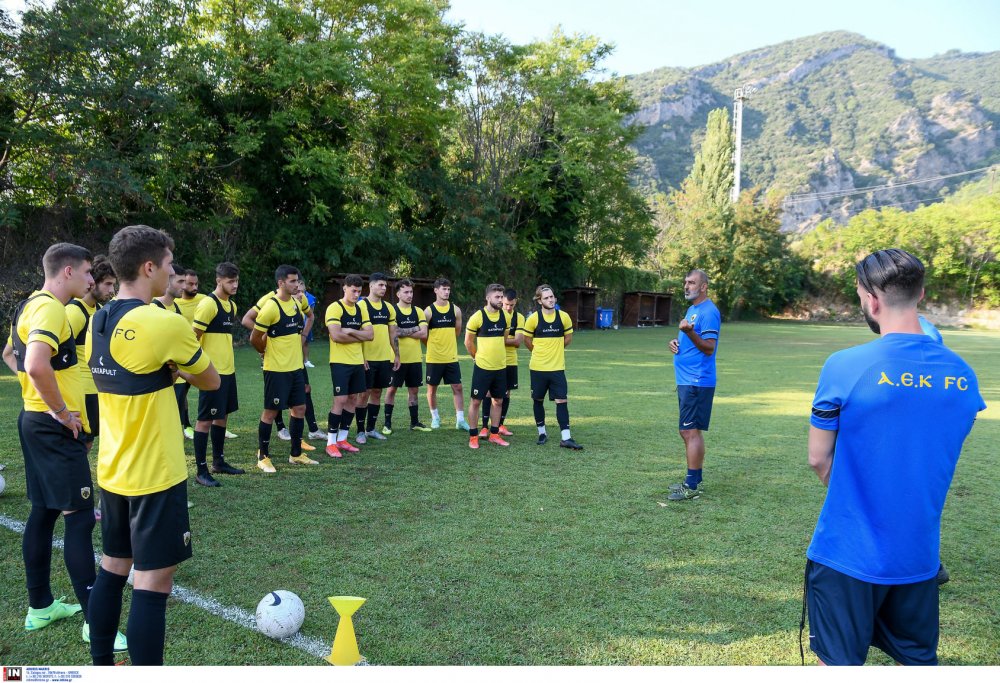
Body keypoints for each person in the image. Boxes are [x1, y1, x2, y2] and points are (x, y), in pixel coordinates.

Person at [804, 248, 985, 666]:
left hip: (848, 552)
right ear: (920, 294)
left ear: (871, 299)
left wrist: (864, 496)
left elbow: (818, 459)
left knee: (837, 664)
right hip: (919, 556)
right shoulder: (963, 375)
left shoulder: (845, 365)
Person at [86, 225, 220, 665]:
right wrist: (173, 370)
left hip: (114, 468)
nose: (173, 273)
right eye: (168, 265)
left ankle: (103, 664)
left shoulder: (97, 318)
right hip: (156, 471)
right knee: (153, 581)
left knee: (113, 565)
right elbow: (211, 379)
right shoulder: (162, 321)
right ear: (149, 267)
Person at [2, 243, 126, 653]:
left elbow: (11, 355)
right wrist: (60, 410)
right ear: (68, 271)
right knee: (78, 519)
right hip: (53, 428)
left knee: (43, 511)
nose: (93, 280)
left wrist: (39, 394)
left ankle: (40, 606)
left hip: (34, 422)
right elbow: (36, 364)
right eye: (89, 272)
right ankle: (96, 622)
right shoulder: (54, 308)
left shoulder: (30, 305)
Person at [249, 265, 317, 472]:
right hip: (276, 369)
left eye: (297, 281)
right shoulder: (270, 307)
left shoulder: (299, 302)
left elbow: (311, 316)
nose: (297, 285)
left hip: (296, 367)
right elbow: (254, 338)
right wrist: (264, 350)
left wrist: (304, 336)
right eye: (292, 281)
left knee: (299, 408)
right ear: (281, 283)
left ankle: (295, 454)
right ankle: (263, 456)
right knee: (271, 411)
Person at [666, 269, 720, 501]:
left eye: (692, 282)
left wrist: (689, 331)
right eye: (685, 282)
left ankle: (691, 486)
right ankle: (695, 478)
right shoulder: (692, 309)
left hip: (697, 380)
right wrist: (676, 342)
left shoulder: (709, 311)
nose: (686, 286)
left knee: (690, 431)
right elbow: (690, 339)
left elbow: (709, 346)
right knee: (688, 430)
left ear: (704, 286)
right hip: (687, 379)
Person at [190, 262, 245, 486]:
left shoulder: (231, 306)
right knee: (205, 420)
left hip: (228, 371)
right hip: (211, 372)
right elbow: (192, 339)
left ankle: (218, 462)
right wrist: (199, 367)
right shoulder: (208, 304)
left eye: (236, 281)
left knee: (222, 416)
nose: (234, 285)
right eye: (230, 281)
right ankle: (201, 470)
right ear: (218, 280)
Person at [516, 285, 583, 450]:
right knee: (537, 400)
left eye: (552, 296)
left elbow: (568, 339)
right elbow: (527, 341)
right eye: (546, 298)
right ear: (539, 301)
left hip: (557, 368)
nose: (550, 300)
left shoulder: (564, 317)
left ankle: (566, 438)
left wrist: (556, 350)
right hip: (538, 369)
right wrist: (539, 352)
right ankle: (542, 433)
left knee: (562, 400)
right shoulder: (533, 319)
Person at [65, 254, 117, 449]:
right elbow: (59, 354)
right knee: (81, 442)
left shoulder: (100, 310)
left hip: (97, 388)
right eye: (108, 284)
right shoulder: (74, 312)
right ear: (92, 283)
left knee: (89, 442)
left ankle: (80, 479)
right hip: (81, 390)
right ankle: (78, 480)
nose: (112, 291)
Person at [324, 274, 374, 458]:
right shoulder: (334, 308)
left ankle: (342, 439)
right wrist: (358, 333)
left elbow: (370, 335)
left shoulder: (361, 309)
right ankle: (331, 442)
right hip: (339, 362)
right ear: (344, 288)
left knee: (353, 398)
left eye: (359, 291)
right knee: (340, 399)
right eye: (353, 290)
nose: (356, 294)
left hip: (357, 361)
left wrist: (351, 330)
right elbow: (336, 335)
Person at [464, 284, 511, 449]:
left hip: (500, 367)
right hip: (482, 368)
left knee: (498, 400)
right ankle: (473, 436)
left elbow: (504, 339)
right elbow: (468, 342)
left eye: (501, 296)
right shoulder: (477, 317)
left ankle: (494, 434)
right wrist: (477, 357)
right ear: (488, 298)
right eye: (497, 297)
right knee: (476, 401)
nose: (500, 300)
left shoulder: (505, 317)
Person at [357, 272, 399, 442]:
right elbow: (358, 333)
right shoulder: (361, 306)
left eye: (385, 285)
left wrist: (396, 354)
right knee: (363, 394)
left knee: (377, 393)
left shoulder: (388, 307)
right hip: (366, 358)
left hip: (384, 359)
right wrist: (361, 357)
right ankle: (360, 431)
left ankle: (370, 429)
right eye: (380, 285)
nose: (383, 288)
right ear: (371, 286)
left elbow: (393, 333)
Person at [384, 278, 431, 433]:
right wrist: (414, 328)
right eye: (406, 292)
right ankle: (387, 424)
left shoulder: (418, 311)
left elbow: (424, 333)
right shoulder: (393, 311)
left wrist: (404, 331)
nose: (409, 295)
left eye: (411, 292)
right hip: (396, 359)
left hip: (415, 358)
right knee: (391, 390)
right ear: (398, 294)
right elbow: (394, 332)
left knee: (414, 391)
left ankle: (415, 422)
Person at [424, 277, 469, 430]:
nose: (447, 292)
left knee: (457, 387)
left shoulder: (455, 310)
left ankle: (460, 420)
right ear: (436, 290)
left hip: (451, 357)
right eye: (443, 289)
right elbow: (424, 336)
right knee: (432, 389)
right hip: (434, 358)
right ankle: (435, 418)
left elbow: (457, 332)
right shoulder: (428, 312)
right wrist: (434, 346)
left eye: (448, 289)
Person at [481, 288, 520, 437]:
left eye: (511, 305)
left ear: (515, 302)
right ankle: (484, 426)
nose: (508, 307)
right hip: (494, 360)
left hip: (510, 361)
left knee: (505, 394)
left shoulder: (519, 318)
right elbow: (503, 339)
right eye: (505, 304)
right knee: (489, 393)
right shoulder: (496, 315)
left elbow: (517, 342)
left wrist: (500, 340)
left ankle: (499, 425)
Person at [173, 269, 206, 439]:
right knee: (180, 394)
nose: (194, 287)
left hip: (201, 355)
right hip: (181, 356)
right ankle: (185, 426)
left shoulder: (205, 301)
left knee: (210, 390)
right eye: (190, 284)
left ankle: (215, 424)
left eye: (196, 284)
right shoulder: (173, 302)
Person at [301, 277, 318, 368]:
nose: (299, 286)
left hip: (306, 324)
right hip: (295, 324)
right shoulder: (290, 296)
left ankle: (306, 360)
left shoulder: (310, 298)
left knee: (306, 342)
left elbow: (311, 314)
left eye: (301, 284)